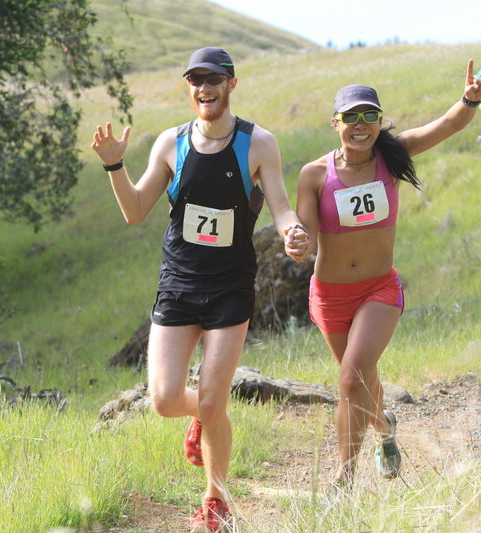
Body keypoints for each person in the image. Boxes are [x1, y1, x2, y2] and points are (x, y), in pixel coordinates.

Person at [91, 46, 308, 532]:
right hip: (179, 284)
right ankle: (204, 417)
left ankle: (216, 502)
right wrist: (114, 167)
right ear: (189, 88)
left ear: (232, 84)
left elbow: (281, 206)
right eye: (195, 81)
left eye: (213, 80)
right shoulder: (171, 143)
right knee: (165, 400)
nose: (204, 89)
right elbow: (135, 210)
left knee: (213, 402)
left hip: (231, 286)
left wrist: (293, 232)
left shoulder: (259, 143)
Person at [295, 60, 481, 485]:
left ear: (380, 121)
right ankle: (385, 429)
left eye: (369, 116)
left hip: (379, 290)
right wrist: (297, 241)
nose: (360, 125)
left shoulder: (392, 155)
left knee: (350, 378)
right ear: (335, 123)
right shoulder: (314, 174)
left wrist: (471, 98)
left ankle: (342, 480)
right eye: (351, 117)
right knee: (363, 381)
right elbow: (306, 236)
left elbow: (447, 125)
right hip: (329, 295)